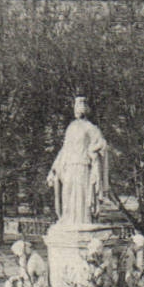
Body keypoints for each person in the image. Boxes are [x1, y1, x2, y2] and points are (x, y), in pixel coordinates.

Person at [46, 96, 108, 227]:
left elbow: (102, 144)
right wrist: (54, 168)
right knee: (67, 194)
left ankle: (83, 221)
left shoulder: (90, 127)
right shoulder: (71, 127)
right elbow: (64, 149)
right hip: (69, 166)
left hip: (83, 165)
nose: (79, 108)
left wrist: (93, 150)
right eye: (77, 105)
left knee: (81, 194)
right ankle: (68, 220)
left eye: (82, 105)